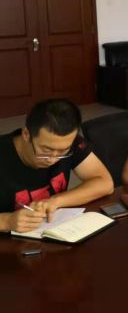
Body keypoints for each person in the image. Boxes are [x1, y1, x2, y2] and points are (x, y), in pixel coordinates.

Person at [0, 99, 114, 233]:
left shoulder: (67, 142)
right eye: (46, 150)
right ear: (26, 134)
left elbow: (105, 183)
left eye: (62, 151)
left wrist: (55, 201)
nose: (53, 159)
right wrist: (7, 221)